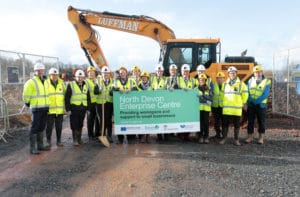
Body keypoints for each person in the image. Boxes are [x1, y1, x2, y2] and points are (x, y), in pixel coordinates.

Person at [23, 62, 50, 154]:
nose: (40, 72)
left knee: (42, 127)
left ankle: (40, 145)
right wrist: (27, 103)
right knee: (35, 127)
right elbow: (26, 95)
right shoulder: (31, 82)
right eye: (38, 70)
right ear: (35, 71)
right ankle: (33, 148)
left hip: (45, 108)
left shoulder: (46, 81)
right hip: (36, 109)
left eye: (42, 70)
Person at [219, 66, 248, 146]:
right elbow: (221, 95)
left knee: (237, 125)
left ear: (236, 73)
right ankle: (224, 138)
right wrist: (221, 104)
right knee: (225, 124)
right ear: (228, 74)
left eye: (234, 73)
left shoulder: (241, 84)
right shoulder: (225, 84)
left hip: (236, 109)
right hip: (226, 108)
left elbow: (245, 94)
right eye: (230, 73)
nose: (232, 74)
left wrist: (242, 103)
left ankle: (236, 139)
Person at [111, 66, 138, 143]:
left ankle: (131, 137)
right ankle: (120, 138)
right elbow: (111, 91)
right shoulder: (116, 81)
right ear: (119, 74)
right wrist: (118, 89)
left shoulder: (131, 81)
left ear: (126, 73)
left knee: (130, 121)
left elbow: (136, 89)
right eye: (121, 73)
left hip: (129, 106)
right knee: (119, 122)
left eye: (124, 73)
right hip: (119, 106)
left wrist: (131, 89)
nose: (122, 74)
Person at [245, 65, 271, 144]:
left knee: (261, 122)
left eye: (259, 72)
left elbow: (265, 94)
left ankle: (261, 138)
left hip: (261, 105)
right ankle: (250, 137)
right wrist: (250, 100)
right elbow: (246, 92)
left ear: (262, 72)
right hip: (251, 105)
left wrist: (256, 101)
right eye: (256, 72)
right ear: (254, 73)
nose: (258, 74)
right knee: (250, 121)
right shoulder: (249, 81)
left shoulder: (266, 81)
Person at [65, 69, 91, 146]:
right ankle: (75, 140)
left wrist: (88, 108)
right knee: (74, 124)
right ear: (75, 77)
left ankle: (79, 139)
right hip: (74, 108)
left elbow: (88, 98)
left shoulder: (85, 85)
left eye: (81, 77)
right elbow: (67, 98)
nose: (80, 78)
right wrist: (68, 109)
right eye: (78, 77)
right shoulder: (71, 85)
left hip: (83, 108)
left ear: (83, 77)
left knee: (80, 124)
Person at [45, 68, 66, 147]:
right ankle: (48, 141)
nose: (54, 77)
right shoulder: (45, 83)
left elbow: (65, 96)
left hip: (60, 110)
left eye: (56, 75)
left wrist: (65, 109)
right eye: (53, 75)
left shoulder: (62, 83)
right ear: (49, 75)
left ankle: (59, 141)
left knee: (59, 126)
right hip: (49, 110)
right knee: (49, 126)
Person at [177, 64, 198, 141]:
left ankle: (186, 136)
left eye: (186, 71)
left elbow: (199, 86)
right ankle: (180, 135)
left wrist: (193, 90)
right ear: (181, 72)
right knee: (181, 119)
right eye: (184, 71)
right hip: (180, 103)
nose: (185, 73)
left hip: (189, 104)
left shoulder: (193, 80)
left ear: (189, 72)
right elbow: (174, 88)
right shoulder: (178, 80)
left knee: (188, 119)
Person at [94, 66, 114, 143]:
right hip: (100, 104)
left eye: (107, 73)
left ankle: (109, 136)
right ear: (101, 74)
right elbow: (95, 92)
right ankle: (102, 135)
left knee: (109, 120)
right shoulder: (98, 81)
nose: (105, 75)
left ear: (109, 74)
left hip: (109, 103)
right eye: (104, 73)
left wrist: (112, 91)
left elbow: (114, 91)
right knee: (101, 120)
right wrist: (99, 90)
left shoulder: (113, 81)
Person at [151, 64, 167, 141]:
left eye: (160, 71)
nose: (159, 72)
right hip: (155, 103)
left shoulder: (166, 80)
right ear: (156, 72)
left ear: (163, 72)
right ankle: (159, 136)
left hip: (164, 102)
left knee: (164, 119)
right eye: (158, 71)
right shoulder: (152, 80)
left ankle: (166, 135)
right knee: (157, 119)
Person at [137, 71, 152, 143]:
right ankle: (142, 136)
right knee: (142, 122)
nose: (144, 79)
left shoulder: (151, 86)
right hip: (141, 107)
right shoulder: (137, 86)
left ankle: (148, 136)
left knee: (149, 121)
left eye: (145, 77)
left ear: (148, 78)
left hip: (149, 106)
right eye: (142, 77)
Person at [197, 73, 213, 143]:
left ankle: (206, 137)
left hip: (206, 109)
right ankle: (200, 137)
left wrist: (202, 97)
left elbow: (211, 99)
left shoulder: (209, 89)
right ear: (198, 80)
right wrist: (206, 99)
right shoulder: (195, 89)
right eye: (200, 79)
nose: (202, 80)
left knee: (206, 123)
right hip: (198, 109)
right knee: (200, 123)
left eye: (203, 79)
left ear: (205, 80)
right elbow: (195, 99)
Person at [85, 66, 99, 140]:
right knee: (90, 120)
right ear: (87, 74)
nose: (91, 74)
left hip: (98, 102)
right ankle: (90, 134)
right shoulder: (86, 82)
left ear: (95, 73)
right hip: (90, 103)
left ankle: (97, 133)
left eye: (92, 73)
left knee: (97, 119)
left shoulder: (98, 80)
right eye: (90, 73)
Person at [211, 71, 226, 140]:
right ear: (216, 79)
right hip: (215, 107)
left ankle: (223, 135)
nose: (220, 79)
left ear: (224, 78)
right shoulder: (213, 85)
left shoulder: (227, 86)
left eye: (221, 78)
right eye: (218, 78)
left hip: (223, 107)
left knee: (224, 122)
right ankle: (217, 134)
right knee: (216, 121)